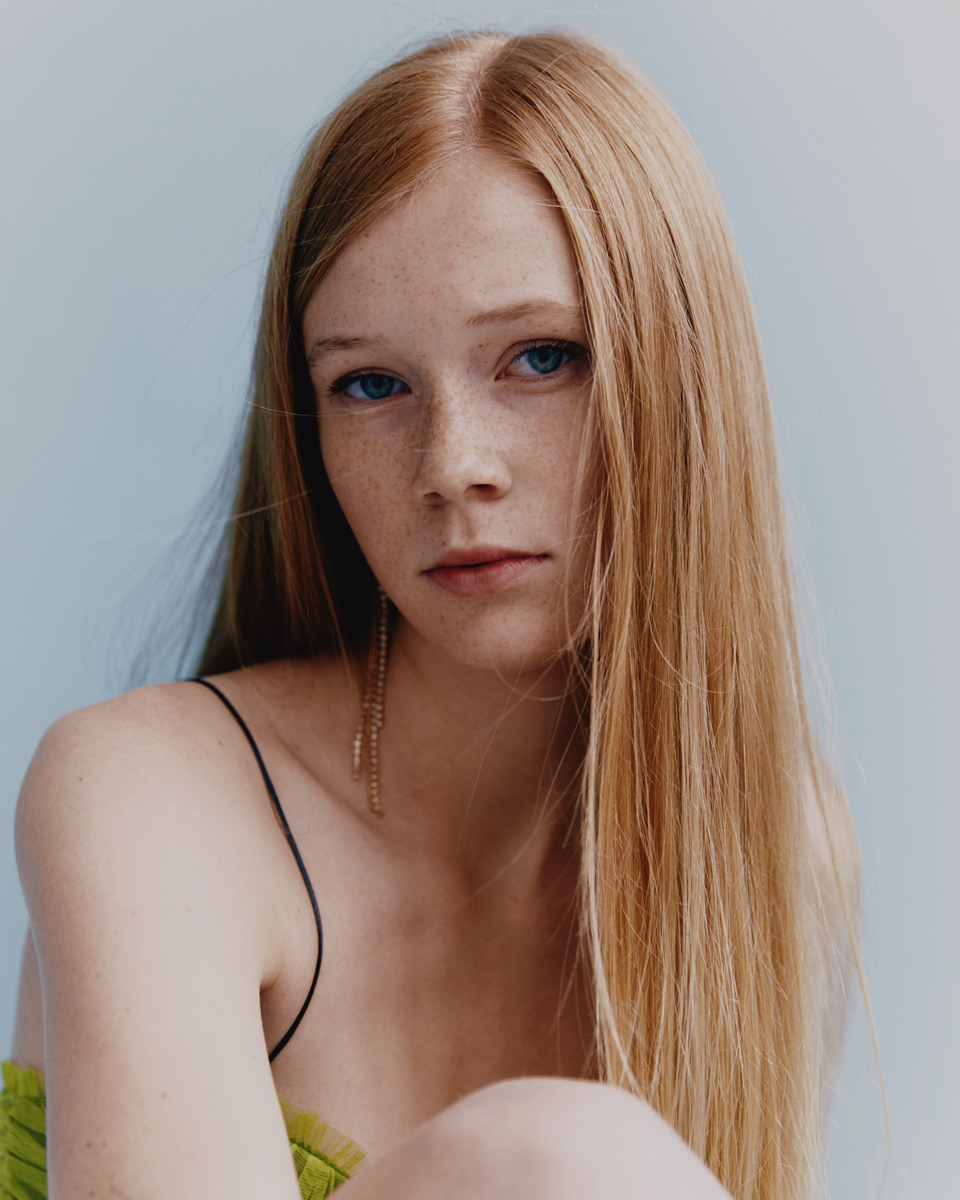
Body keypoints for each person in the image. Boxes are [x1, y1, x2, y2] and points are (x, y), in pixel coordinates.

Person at [0, 27, 858, 1200]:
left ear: (681, 385)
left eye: (541, 359)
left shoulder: (781, 846)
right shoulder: (152, 799)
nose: (453, 467)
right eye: (370, 385)